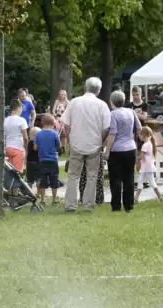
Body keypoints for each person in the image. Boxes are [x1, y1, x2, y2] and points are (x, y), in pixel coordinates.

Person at [61, 77, 111, 212]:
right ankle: (88, 205)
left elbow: (66, 124)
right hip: (95, 144)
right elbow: (107, 128)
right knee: (92, 176)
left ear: (85, 87)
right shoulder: (102, 105)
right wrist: (101, 141)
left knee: (73, 176)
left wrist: (70, 139)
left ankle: (70, 205)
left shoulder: (74, 102)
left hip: (76, 143)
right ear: (99, 91)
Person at [104, 90, 141, 213]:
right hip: (131, 148)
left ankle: (116, 206)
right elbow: (139, 128)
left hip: (117, 150)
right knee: (129, 177)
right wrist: (133, 139)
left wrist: (107, 151)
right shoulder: (131, 111)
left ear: (112, 101)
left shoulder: (113, 114)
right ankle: (129, 205)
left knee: (116, 178)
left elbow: (112, 133)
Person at [34, 114, 61, 205]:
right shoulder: (55, 133)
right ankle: (54, 199)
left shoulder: (39, 134)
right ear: (53, 123)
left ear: (42, 122)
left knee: (43, 179)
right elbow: (59, 146)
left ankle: (42, 200)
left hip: (42, 160)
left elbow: (35, 148)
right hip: (53, 159)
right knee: (54, 179)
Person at [135, 127, 163, 203]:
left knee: (151, 182)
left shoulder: (145, 145)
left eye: (140, 134)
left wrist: (135, 160)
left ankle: (160, 197)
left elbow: (141, 156)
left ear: (144, 135)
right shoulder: (150, 144)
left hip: (147, 167)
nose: (139, 136)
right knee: (141, 180)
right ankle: (136, 198)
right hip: (147, 167)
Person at [4, 99, 29, 175]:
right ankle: (16, 186)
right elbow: (25, 136)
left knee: (10, 172)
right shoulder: (21, 120)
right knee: (18, 173)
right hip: (18, 148)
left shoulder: (5, 120)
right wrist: (26, 148)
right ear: (18, 108)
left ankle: (10, 186)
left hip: (8, 147)